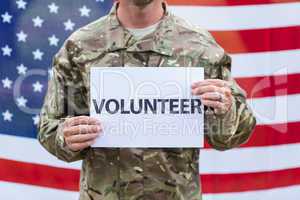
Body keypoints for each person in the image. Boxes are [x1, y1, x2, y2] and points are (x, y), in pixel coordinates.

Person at [38, 0, 256, 199]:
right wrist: (66, 138)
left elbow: (232, 136)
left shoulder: (200, 48)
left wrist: (226, 111)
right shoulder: (80, 47)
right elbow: (49, 127)